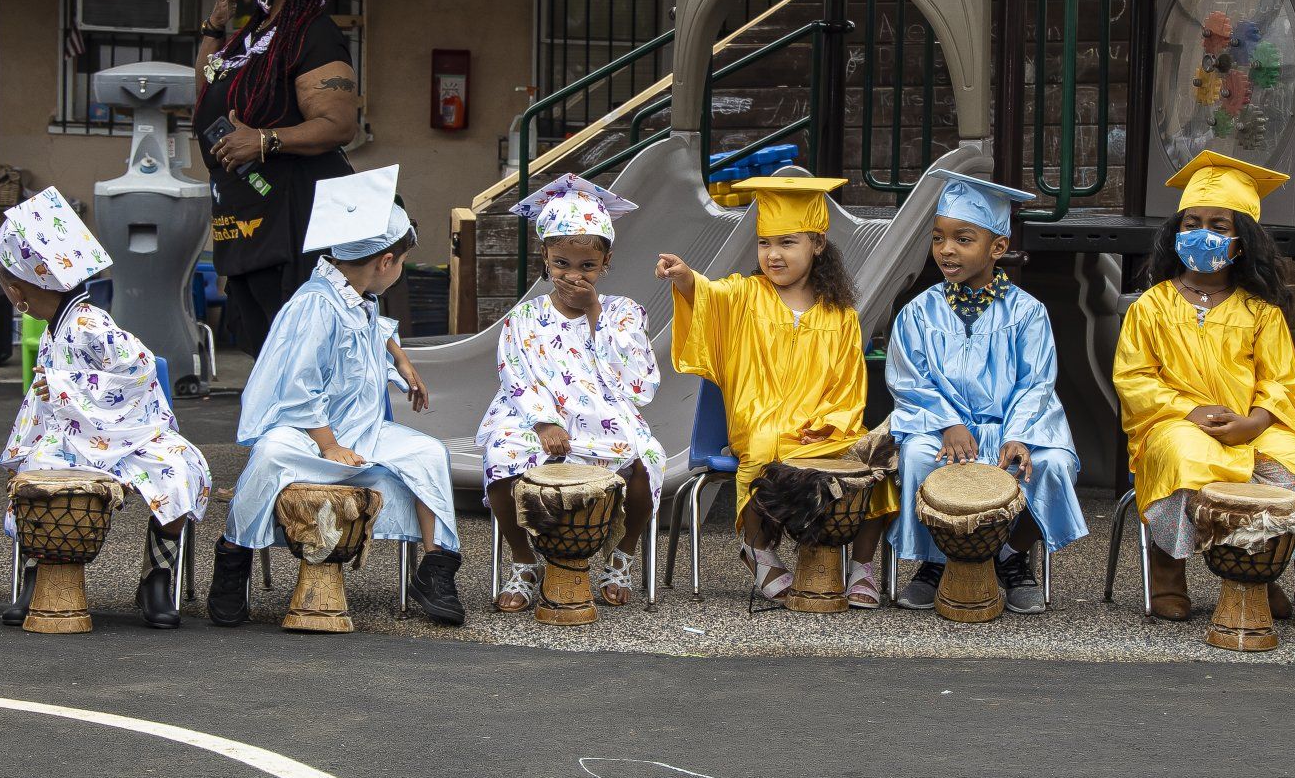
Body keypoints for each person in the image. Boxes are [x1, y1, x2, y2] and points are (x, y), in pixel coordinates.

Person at [212, 165, 464, 626]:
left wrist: (400, 359)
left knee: (429, 455)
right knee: (269, 457)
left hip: (360, 427)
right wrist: (329, 445)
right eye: (401, 263)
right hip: (306, 432)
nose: (399, 271)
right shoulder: (315, 305)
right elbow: (299, 385)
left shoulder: (354, 292)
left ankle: (436, 568)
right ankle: (232, 559)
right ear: (385, 262)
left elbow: (368, 324)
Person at [1112, 151, 1295, 621]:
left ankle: (1257, 571)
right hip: (1173, 422)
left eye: (1219, 226)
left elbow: (1281, 379)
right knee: (1184, 458)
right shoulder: (1151, 307)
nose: (1203, 234)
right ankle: (1168, 572)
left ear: (1241, 242)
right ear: (1176, 232)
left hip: (1251, 424)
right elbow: (1134, 377)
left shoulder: (1260, 311)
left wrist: (1255, 421)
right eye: (1191, 223)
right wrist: (1188, 411)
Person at [656, 177, 898, 608]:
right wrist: (686, 278)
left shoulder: (840, 316)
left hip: (822, 427)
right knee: (766, 444)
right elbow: (709, 294)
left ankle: (862, 565)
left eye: (788, 242)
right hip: (760, 420)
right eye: (764, 242)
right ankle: (759, 551)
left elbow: (848, 385)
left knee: (873, 456)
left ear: (817, 244)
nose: (773, 254)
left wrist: (828, 423)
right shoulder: (746, 296)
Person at [0, 188, 212, 630]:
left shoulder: (90, 324)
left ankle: (157, 574)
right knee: (38, 472)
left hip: (129, 436)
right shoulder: (57, 329)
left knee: (177, 469)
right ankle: (39, 572)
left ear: (17, 292)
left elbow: (140, 370)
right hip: (73, 439)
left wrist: (65, 386)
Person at [885, 172, 1087, 614]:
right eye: (938, 238)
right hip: (942, 429)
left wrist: (1018, 435)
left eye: (963, 239)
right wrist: (947, 423)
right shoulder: (918, 312)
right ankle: (937, 560)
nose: (947, 249)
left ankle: (1010, 555)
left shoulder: (1027, 312)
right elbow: (908, 380)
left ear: (997, 247)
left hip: (1014, 427)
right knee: (918, 457)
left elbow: (1037, 382)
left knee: (1050, 465)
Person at [479, 174, 663, 613]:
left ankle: (622, 556)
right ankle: (523, 561)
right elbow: (515, 374)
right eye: (561, 263)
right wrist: (544, 421)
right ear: (544, 255)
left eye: (587, 266)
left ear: (606, 262)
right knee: (501, 460)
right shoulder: (524, 317)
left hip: (605, 416)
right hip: (534, 418)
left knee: (645, 461)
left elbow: (639, 384)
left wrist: (595, 311)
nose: (573, 275)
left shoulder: (624, 312)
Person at [194, 0, 360, 356]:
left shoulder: (312, 34)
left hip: (290, 223)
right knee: (262, 352)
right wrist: (216, 24)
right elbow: (204, 90)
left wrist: (263, 140)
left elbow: (338, 124)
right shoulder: (251, 35)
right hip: (242, 222)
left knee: (294, 355)